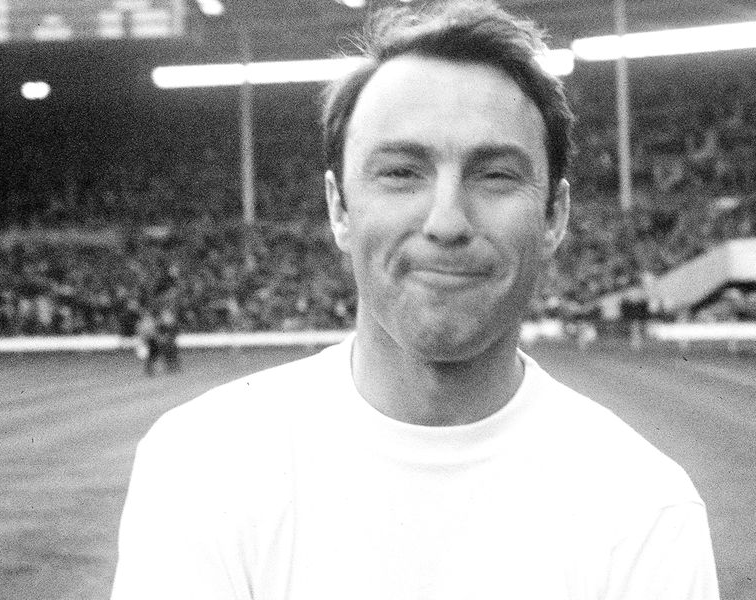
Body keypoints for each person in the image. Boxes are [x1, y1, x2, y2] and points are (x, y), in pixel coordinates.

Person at [111, 1, 720, 598]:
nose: (446, 221)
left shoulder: (645, 511)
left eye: (496, 175)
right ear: (338, 208)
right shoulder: (200, 468)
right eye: (401, 172)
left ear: (554, 216)